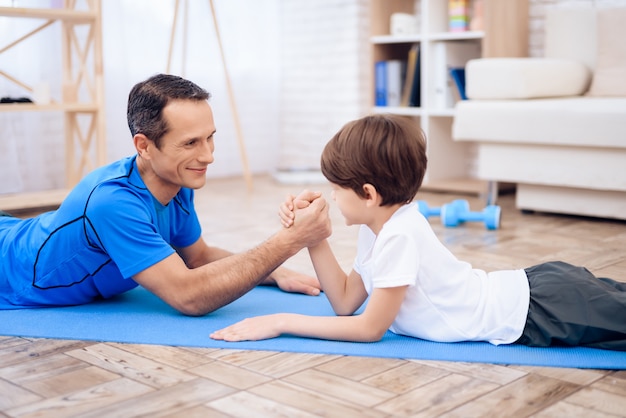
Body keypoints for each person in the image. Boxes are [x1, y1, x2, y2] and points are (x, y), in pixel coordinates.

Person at [211, 113, 626, 351]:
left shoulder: (398, 236)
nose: (332, 198)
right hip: (540, 290)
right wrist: (313, 236)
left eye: (337, 190)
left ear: (369, 194)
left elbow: (369, 329)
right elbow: (343, 302)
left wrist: (282, 321)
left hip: (539, 309)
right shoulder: (378, 227)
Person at [0, 73, 331, 315]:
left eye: (209, 138)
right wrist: (287, 242)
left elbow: (197, 257)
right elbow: (189, 296)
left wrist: (274, 273)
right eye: (190, 143)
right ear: (144, 146)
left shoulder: (177, 180)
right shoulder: (112, 203)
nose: (208, 156)